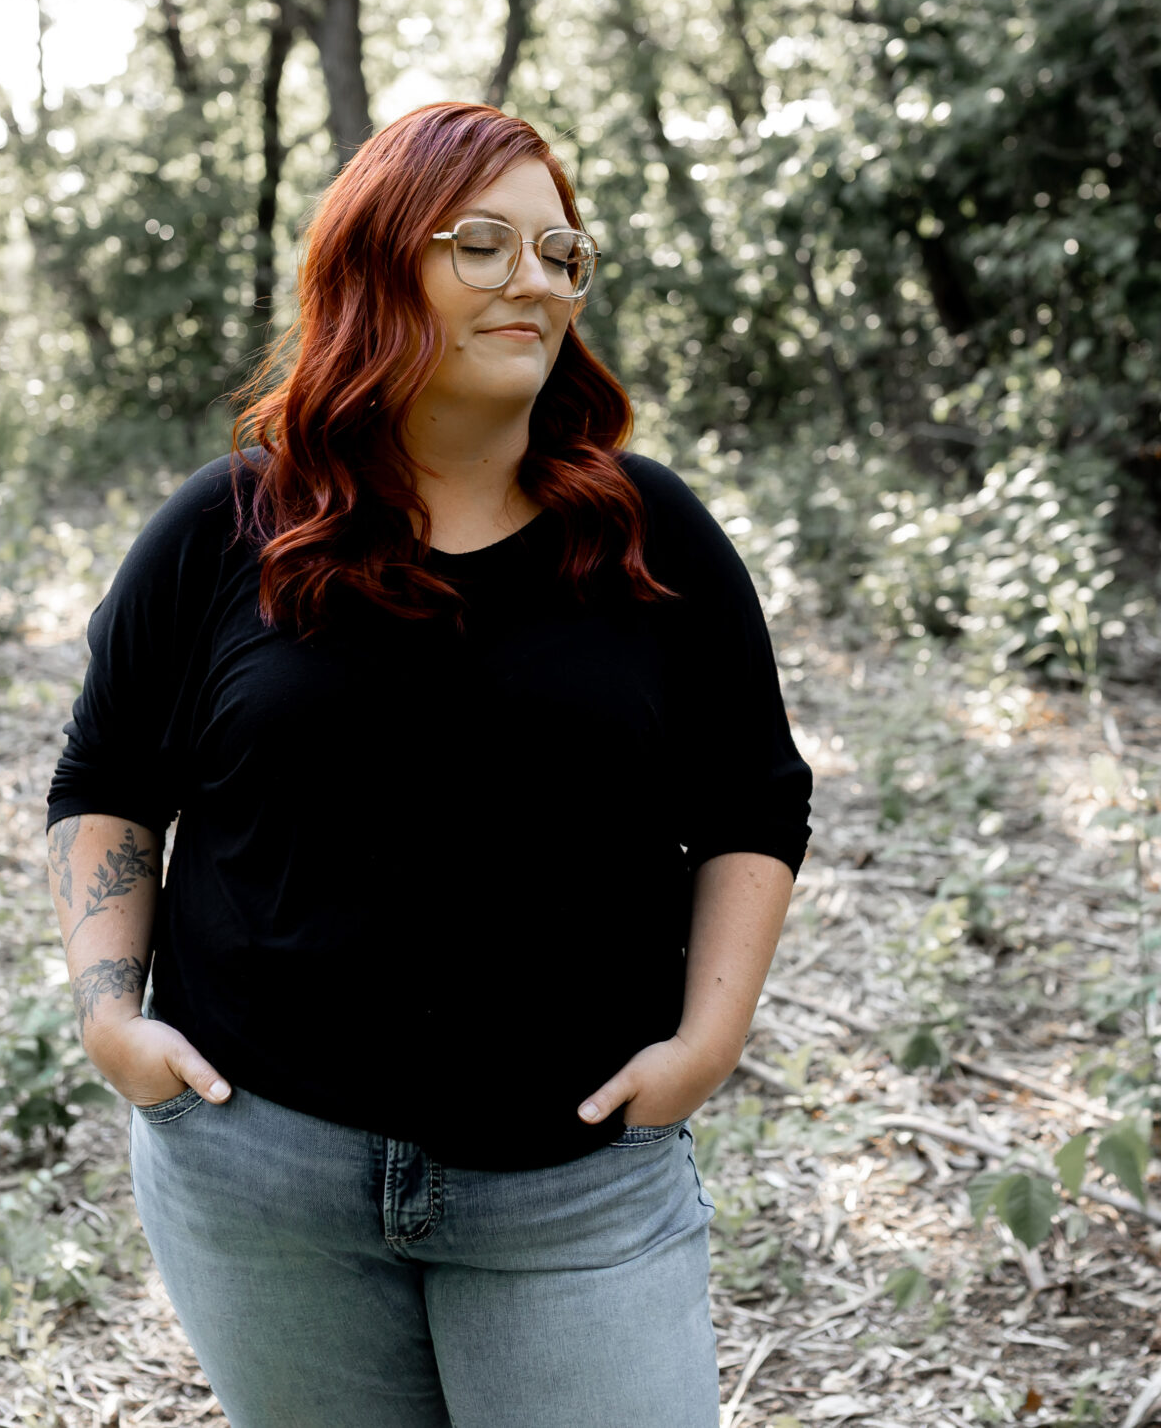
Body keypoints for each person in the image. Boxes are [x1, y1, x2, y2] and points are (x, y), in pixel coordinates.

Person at [43, 101, 812, 1428]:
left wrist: (709, 1039)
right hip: (261, 1177)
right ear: (378, 263)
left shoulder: (649, 535)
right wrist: (113, 1015)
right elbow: (108, 777)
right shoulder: (226, 528)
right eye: (484, 244)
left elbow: (755, 797)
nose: (537, 278)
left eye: (563, 252)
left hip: (572, 1184)